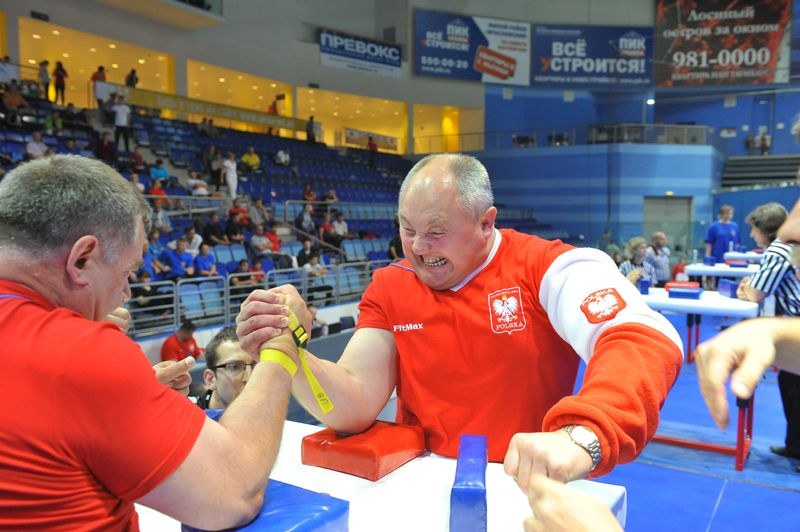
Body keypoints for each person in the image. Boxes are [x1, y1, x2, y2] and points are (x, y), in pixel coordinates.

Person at [237, 153, 683, 491]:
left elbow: (645, 337)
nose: (416, 247)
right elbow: (352, 405)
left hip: (525, 485)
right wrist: (290, 348)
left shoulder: (549, 268)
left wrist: (584, 434)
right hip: (420, 485)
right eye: (406, 228)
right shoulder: (392, 285)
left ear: (486, 223)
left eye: (435, 231)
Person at [0, 154, 300, 529]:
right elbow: (234, 491)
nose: (125, 293)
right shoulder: (78, 352)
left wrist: (131, 392)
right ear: (81, 261)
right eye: (126, 272)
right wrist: (282, 347)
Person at [734, 202, 800, 466]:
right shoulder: (789, 247)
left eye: (754, 230)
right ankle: (795, 446)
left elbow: (757, 293)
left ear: (765, 230)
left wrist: (747, 289)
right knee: (790, 384)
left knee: (795, 388)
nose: (751, 235)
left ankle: (797, 447)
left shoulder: (777, 250)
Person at [197, 326, 258, 410]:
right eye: (235, 367)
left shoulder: (271, 413)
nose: (250, 378)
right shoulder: (185, 417)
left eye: (256, 366)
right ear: (211, 379)